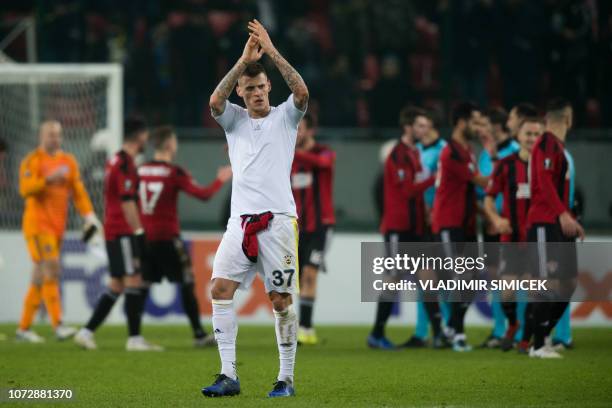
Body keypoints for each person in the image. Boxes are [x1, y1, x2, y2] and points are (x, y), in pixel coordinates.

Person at [202, 19, 308, 398]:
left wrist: (271, 51)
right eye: (250, 89)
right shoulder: (235, 122)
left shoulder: (286, 117)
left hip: (278, 222)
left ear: (268, 87)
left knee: (280, 299)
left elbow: (301, 91)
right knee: (219, 287)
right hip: (240, 223)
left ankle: (286, 379)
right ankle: (228, 374)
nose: (258, 93)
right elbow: (215, 101)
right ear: (243, 95)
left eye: (262, 87)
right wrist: (242, 60)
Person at [138, 126, 232, 347]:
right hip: (168, 237)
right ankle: (198, 334)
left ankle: (134, 336)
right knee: (186, 281)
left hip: (144, 238)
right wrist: (220, 179)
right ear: (170, 144)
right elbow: (204, 195)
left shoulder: (140, 170)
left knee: (141, 285)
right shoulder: (174, 172)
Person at [74, 117, 162, 351]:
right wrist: (139, 232)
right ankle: (134, 339)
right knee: (134, 279)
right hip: (122, 231)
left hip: (115, 230)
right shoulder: (123, 163)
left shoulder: (119, 160)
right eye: (145, 134)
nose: (147, 138)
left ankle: (85, 332)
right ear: (139, 135)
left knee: (116, 284)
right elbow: (126, 202)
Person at [16, 120, 101, 343]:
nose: (55, 138)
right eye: (50, 134)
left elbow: (79, 192)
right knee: (52, 268)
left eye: (58, 134)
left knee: (39, 275)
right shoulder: (32, 161)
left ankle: (23, 328)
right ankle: (58, 324)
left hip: (57, 227)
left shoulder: (68, 162)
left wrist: (89, 216)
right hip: (37, 225)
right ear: (41, 136)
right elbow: (25, 189)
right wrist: (47, 180)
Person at [368, 106, 435, 350]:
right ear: (408, 127)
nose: (424, 130)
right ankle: (376, 333)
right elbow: (407, 190)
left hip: (414, 228)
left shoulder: (413, 153)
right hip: (397, 228)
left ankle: (440, 333)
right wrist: (433, 179)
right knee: (393, 278)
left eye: (426, 126)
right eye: (420, 125)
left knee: (427, 277)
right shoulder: (397, 154)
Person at [525, 99, 584, 359]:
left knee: (568, 282)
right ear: (567, 120)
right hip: (544, 222)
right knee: (545, 282)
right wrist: (563, 214)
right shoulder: (547, 143)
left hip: (558, 222)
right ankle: (537, 345)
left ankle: (544, 335)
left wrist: (570, 217)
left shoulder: (557, 147)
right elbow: (545, 183)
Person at [431, 102, 489, 352]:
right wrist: (504, 165)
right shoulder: (451, 151)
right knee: (461, 276)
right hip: (449, 223)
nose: (477, 127)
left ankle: (451, 329)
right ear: (461, 122)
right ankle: (457, 333)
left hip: (465, 223)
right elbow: (479, 181)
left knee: (471, 279)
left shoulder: (467, 151)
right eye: (474, 122)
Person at [483, 117, 543, 352]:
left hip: (535, 238)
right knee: (506, 290)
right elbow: (488, 198)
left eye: (536, 135)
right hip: (510, 238)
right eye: (528, 134)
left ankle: (526, 339)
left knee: (532, 288)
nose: (531, 139)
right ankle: (513, 324)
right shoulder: (506, 165)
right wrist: (497, 219)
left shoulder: (545, 166)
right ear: (518, 136)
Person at [290, 113, 336, 346]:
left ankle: (306, 328)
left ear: (310, 131)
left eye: (300, 129)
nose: (296, 133)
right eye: (294, 129)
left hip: (321, 226)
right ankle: (295, 328)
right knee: (294, 279)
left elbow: (324, 164)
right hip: (296, 228)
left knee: (310, 273)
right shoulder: (289, 160)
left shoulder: (324, 151)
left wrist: (290, 150)